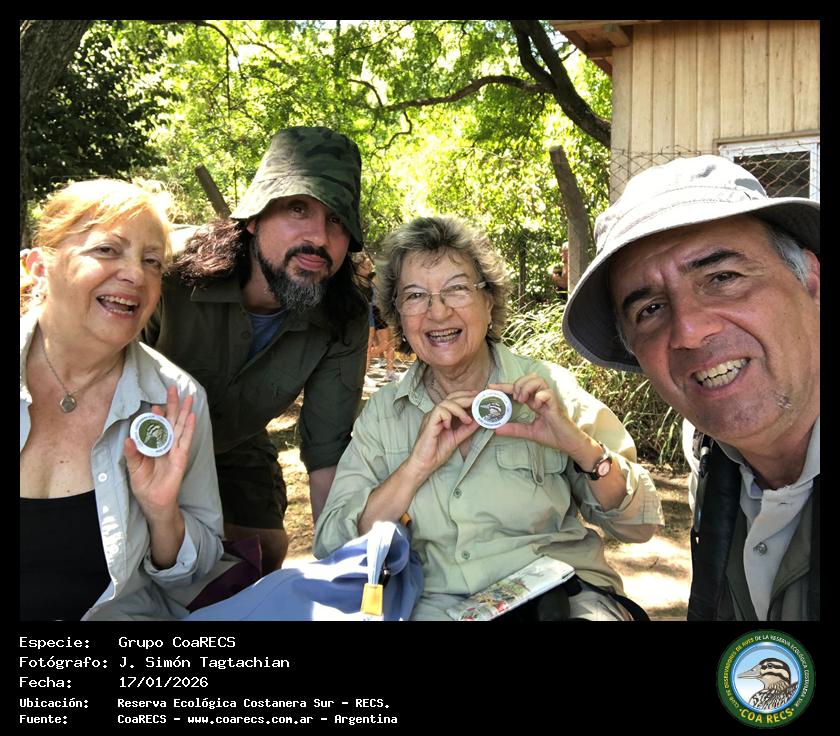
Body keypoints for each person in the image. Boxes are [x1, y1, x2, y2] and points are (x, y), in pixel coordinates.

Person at [313, 216, 663, 620]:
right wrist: (414, 468)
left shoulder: (548, 389)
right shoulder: (383, 414)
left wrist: (580, 447)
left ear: (489, 300)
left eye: (457, 289)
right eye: (415, 296)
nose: (438, 311)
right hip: (435, 607)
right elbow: (333, 544)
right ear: (399, 316)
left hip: (560, 597)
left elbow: (637, 526)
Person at [562, 155, 820, 621]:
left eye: (722, 278)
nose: (688, 331)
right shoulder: (709, 451)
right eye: (650, 310)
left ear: (812, 282)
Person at [142, 127, 369, 575]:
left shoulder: (345, 317)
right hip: (137, 439)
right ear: (253, 218)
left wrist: (340, 572)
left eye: (337, 220)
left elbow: (326, 456)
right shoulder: (166, 271)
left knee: (261, 553)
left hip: (235, 440)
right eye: (298, 209)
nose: (320, 237)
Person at [20, 179, 224, 621]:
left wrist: (162, 514)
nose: (136, 275)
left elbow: (195, 571)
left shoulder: (177, 400)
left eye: (152, 261)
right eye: (107, 250)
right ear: (38, 266)